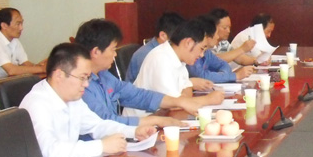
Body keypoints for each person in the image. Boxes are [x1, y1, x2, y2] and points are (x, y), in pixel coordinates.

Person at [19, 42, 155, 157]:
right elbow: (49, 152)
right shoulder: (37, 103)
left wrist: (133, 131)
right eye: (82, 77)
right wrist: (101, 146)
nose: (86, 84)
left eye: (88, 78)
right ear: (59, 75)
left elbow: (97, 125)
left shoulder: (72, 98)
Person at [75, 19, 223, 127]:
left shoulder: (104, 75)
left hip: (127, 133)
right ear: (96, 52)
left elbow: (137, 95)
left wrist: (179, 101)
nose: (115, 55)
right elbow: (106, 122)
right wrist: (154, 120)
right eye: (113, 49)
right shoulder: (81, 85)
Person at [126, 17, 224, 118]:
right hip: (140, 122)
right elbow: (173, 105)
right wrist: (208, 100)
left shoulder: (178, 57)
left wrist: (183, 100)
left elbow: (187, 88)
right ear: (188, 43)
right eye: (201, 49)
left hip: (162, 117)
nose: (201, 55)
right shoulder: (161, 59)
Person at [0, 7, 46, 81]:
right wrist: (42, 69)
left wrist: (42, 65)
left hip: (4, 82)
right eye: (18, 24)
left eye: (21, 23)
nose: (21, 28)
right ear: (4, 25)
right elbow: (11, 70)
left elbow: (25, 64)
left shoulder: (14, 40)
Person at [188, 15, 255, 83]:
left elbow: (224, 64)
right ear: (207, 36)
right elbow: (202, 76)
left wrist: (224, 76)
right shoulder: (193, 54)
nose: (218, 37)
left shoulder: (207, 52)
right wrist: (234, 76)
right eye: (216, 33)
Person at [126, 12, 185, 83]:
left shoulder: (166, 51)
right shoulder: (147, 54)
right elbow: (157, 84)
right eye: (178, 38)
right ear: (163, 36)